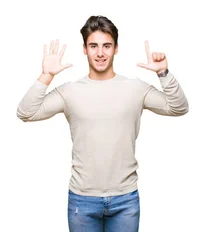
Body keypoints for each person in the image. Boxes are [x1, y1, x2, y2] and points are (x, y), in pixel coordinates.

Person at [16, 15, 189, 232]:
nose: (100, 53)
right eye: (94, 46)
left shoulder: (135, 88)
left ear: (116, 48)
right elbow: (26, 112)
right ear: (84, 49)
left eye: (107, 46)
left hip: (125, 199)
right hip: (82, 200)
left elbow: (179, 107)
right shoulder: (70, 91)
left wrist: (163, 73)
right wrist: (46, 75)